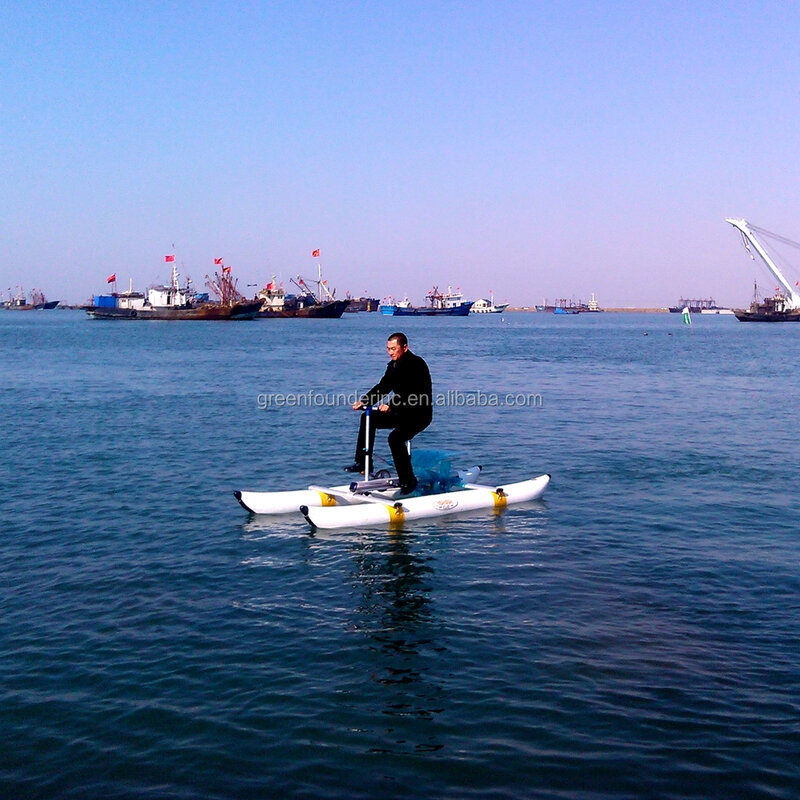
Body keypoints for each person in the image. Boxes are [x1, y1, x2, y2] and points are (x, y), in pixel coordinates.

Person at [344, 332, 432, 495]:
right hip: (401, 412)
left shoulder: (417, 364)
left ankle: (408, 480)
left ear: (405, 347)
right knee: (368, 418)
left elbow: (414, 392)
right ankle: (364, 463)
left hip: (419, 414)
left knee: (395, 439)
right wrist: (365, 401)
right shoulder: (393, 366)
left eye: (393, 349)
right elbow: (383, 387)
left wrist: (392, 405)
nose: (390, 352)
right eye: (388, 349)